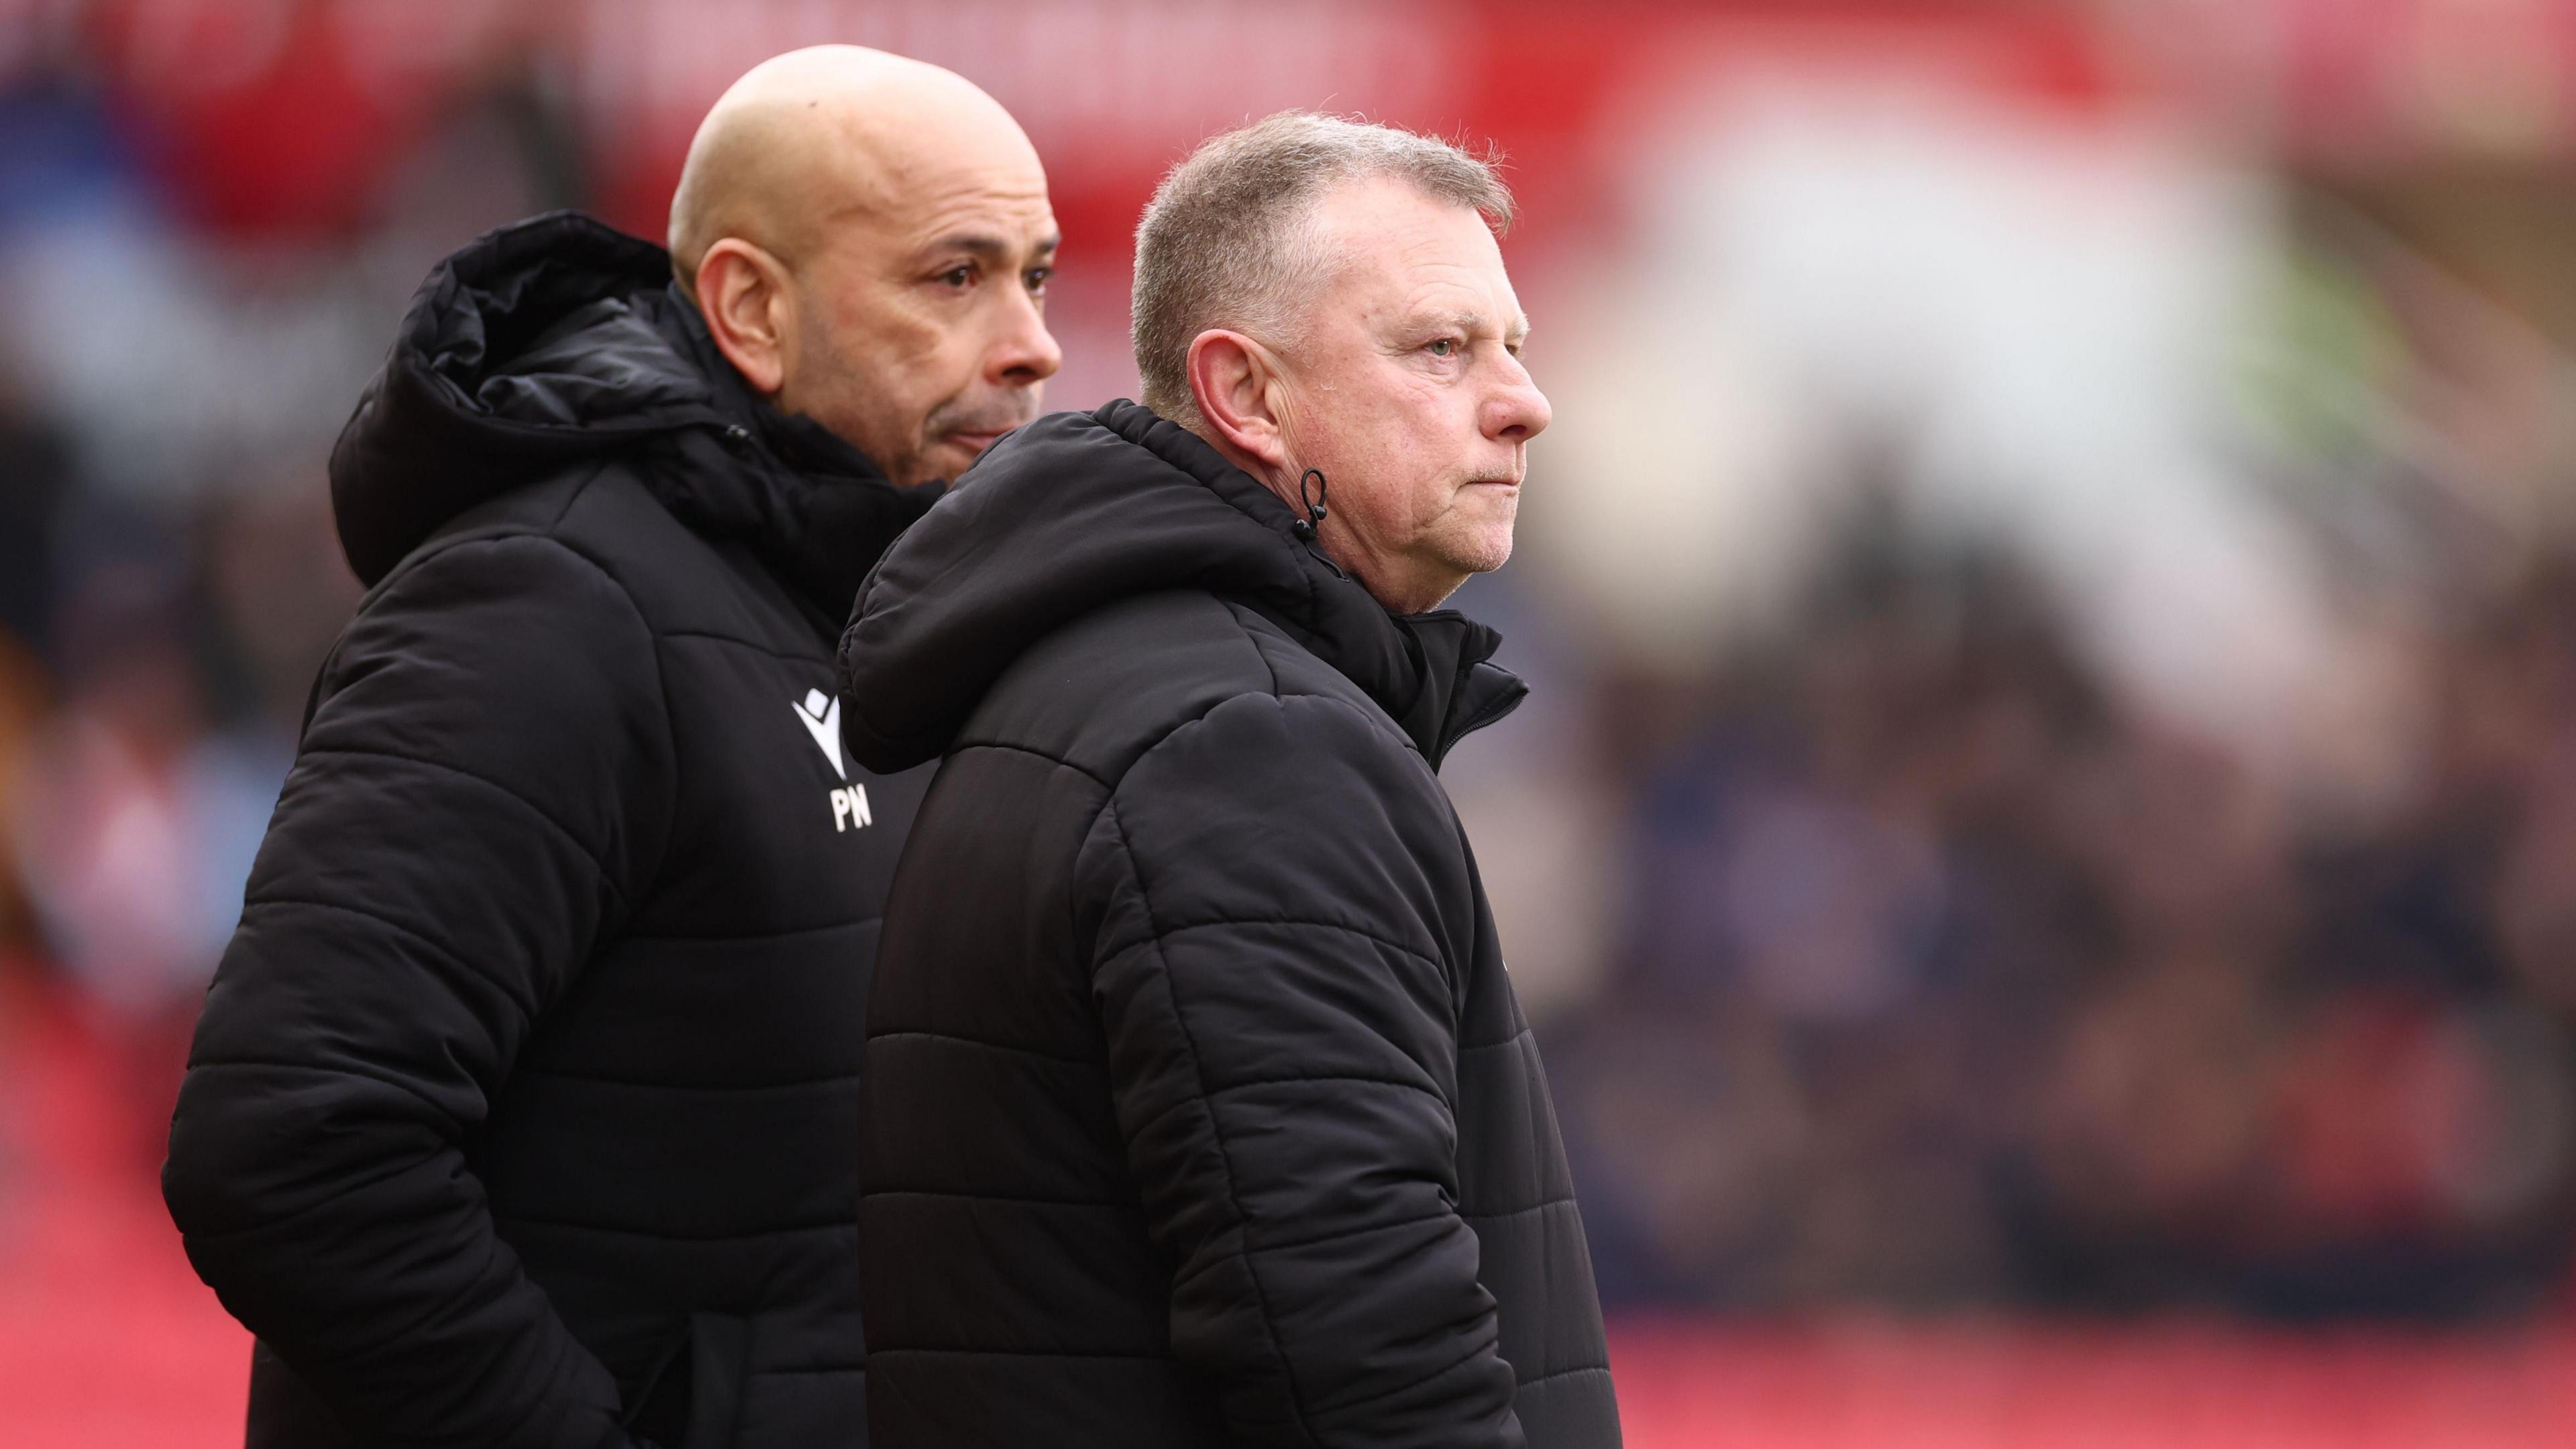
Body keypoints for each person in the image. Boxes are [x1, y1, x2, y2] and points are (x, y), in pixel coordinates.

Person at [162, 46, 1061, 1449]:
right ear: (752, 309)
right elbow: (292, 1145)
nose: (1031, 344)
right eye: (956, 277)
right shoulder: (549, 607)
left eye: (1037, 277)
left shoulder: (892, 615)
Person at [837, 113, 1621, 1448]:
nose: (1521, 401)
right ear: (1244, 394)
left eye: (1513, 347)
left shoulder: (1110, 682)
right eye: (1441, 349)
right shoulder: (1251, 747)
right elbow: (1364, 1361)